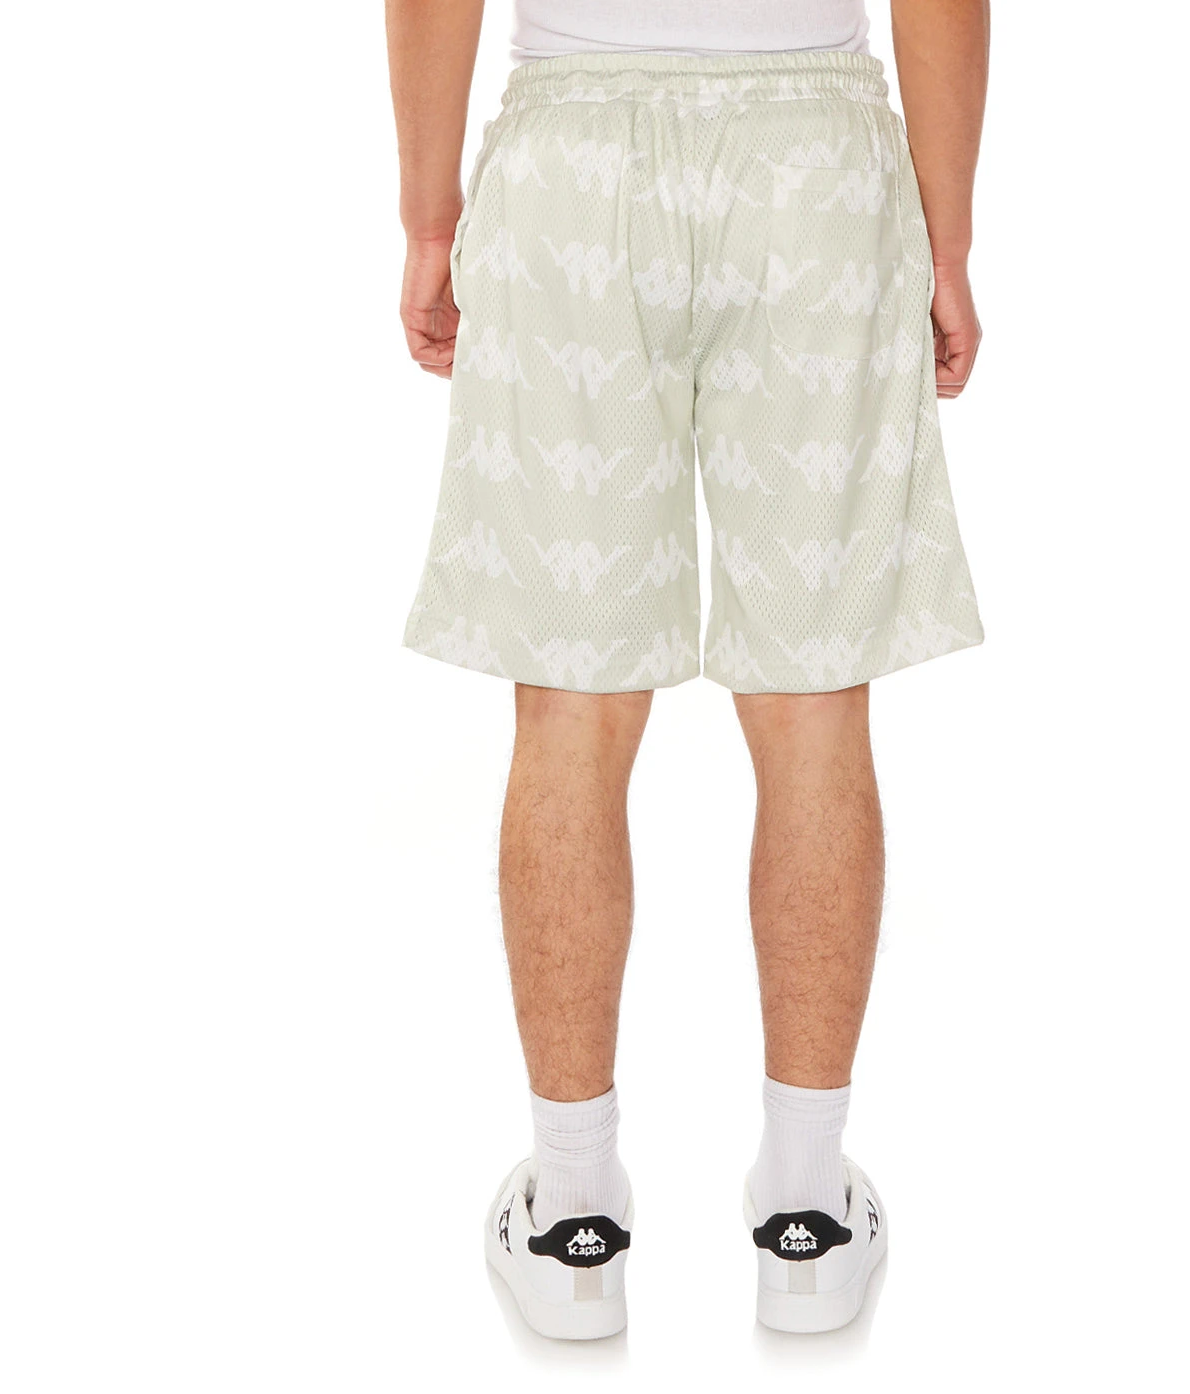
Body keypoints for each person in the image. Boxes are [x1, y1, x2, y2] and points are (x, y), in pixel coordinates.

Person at [385, 0, 989, 1338]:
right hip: (813, 166)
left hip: (573, 163)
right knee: (814, 699)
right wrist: (945, 241)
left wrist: (430, 220)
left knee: (571, 701)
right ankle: (806, 1215)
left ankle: (573, 1220)